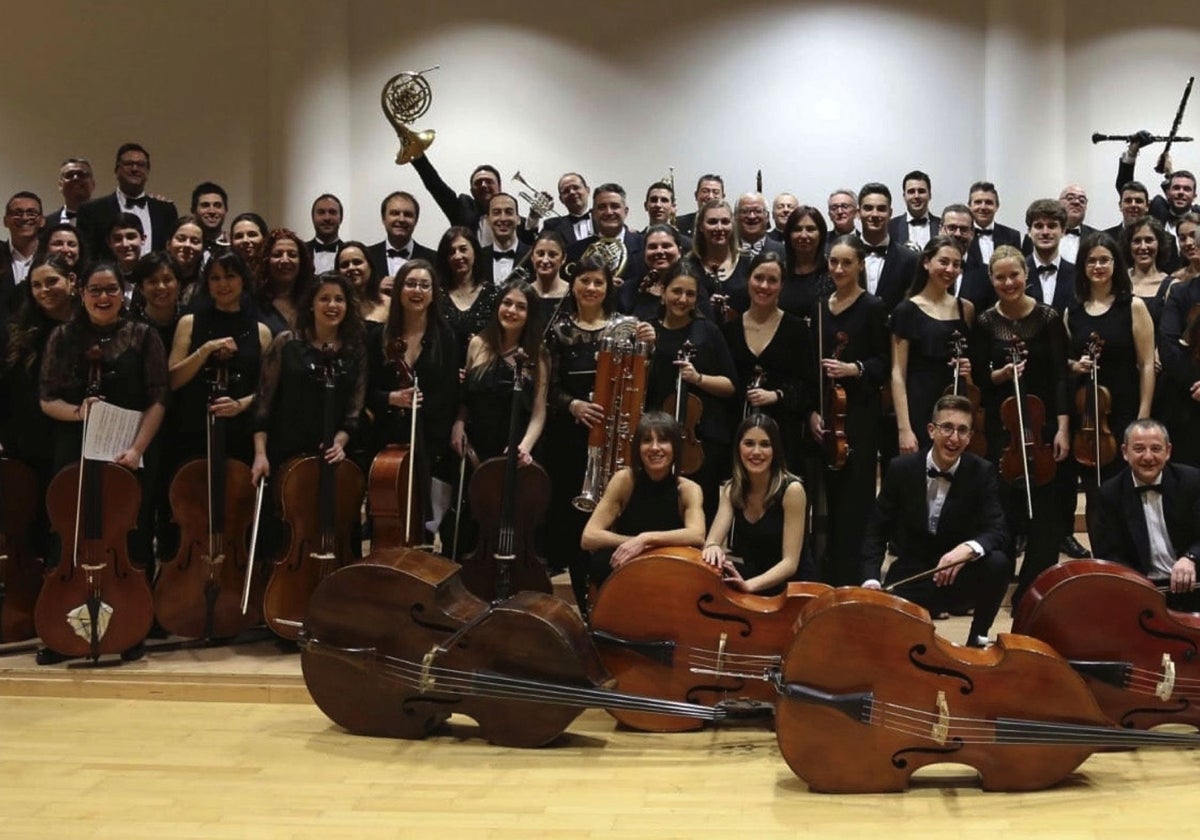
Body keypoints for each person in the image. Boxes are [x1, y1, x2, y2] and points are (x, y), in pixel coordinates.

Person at [861, 395, 1010, 647]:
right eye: (947, 428)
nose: (954, 438)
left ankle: (976, 640)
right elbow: (876, 531)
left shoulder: (982, 471)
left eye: (962, 430)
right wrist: (871, 580)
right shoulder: (901, 469)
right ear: (932, 430)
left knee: (998, 563)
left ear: (970, 436)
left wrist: (968, 549)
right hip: (914, 572)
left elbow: (997, 528)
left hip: (958, 574)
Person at [973, 245, 1071, 609]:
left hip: (1043, 428)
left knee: (1046, 517)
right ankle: (998, 584)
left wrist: (1062, 428)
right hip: (1004, 433)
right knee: (1005, 511)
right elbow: (980, 380)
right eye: (1000, 277)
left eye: (1014, 275)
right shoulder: (985, 322)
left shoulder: (1047, 318)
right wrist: (999, 375)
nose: (1008, 282)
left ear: (1026, 276)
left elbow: (1062, 376)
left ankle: (1031, 590)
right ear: (991, 280)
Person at [544, 254, 643, 610]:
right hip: (571, 440)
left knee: (616, 515)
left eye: (597, 282)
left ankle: (614, 599)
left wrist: (650, 342)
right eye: (584, 281)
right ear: (573, 285)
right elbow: (548, 388)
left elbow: (641, 381)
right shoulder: (558, 331)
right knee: (574, 524)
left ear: (608, 287)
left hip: (615, 439)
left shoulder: (626, 326)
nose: (590, 288)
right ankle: (584, 603)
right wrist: (574, 405)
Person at [250, 273, 367, 562]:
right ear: (311, 305)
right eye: (324, 298)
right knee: (284, 530)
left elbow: (353, 412)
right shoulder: (287, 344)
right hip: (285, 451)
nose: (332, 305)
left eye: (339, 299)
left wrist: (340, 442)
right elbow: (263, 406)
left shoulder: (355, 351)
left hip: (331, 457)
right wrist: (260, 454)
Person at [809, 235, 890, 586]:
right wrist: (812, 411)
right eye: (833, 262)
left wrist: (854, 369)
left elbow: (884, 362)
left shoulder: (872, 306)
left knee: (855, 498)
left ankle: (852, 574)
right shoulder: (818, 307)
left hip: (858, 414)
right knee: (823, 496)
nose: (839, 269)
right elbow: (810, 366)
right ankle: (823, 571)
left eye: (846, 263)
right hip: (823, 413)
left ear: (859, 265)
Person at [1067, 233, 1155, 541]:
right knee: (1094, 493)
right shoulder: (1073, 312)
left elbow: (1146, 364)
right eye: (1091, 260)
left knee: (1127, 492)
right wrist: (1075, 366)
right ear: (1083, 267)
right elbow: (1066, 362)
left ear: (1116, 264)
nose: (1098, 266)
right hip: (1089, 419)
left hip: (1125, 412)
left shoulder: (1133, 306)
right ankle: (1100, 560)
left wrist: (1142, 417)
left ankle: (1131, 565)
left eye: (1104, 259)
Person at [363, 259, 458, 547]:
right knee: (385, 514)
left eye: (424, 285)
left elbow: (450, 394)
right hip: (385, 440)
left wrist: (434, 440)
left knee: (425, 522)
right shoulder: (378, 337)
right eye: (410, 283)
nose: (417, 290)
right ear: (400, 290)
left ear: (433, 293)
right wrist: (391, 398)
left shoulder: (445, 338)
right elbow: (363, 391)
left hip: (430, 444)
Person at [646, 270, 738, 522]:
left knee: (701, 510)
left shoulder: (707, 331)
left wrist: (698, 379)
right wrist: (647, 351)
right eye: (677, 291)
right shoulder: (648, 330)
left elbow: (730, 385)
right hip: (657, 436)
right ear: (663, 293)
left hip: (702, 438)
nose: (683, 299)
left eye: (690, 294)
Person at [169, 248, 272, 465]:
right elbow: (172, 380)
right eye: (215, 278)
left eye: (230, 276)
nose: (222, 284)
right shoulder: (189, 323)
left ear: (243, 280)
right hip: (193, 431)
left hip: (241, 434)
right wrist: (205, 350)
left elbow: (267, 391)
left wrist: (239, 405)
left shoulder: (261, 332)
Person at [580, 412, 706, 590]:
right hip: (626, 565)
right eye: (647, 440)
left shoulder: (688, 489)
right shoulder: (624, 480)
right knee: (600, 562)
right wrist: (633, 543)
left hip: (667, 566)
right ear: (638, 448)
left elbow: (697, 535)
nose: (654, 448)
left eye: (663, 440)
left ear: (675, 447)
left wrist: (645, 540)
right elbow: (589, 537)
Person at [1091, 419, 1200, 611]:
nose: (1148, 457)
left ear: (1168, 451)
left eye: (1156, 449)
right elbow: (1108, 553)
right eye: (1139, 449)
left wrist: (1190, 558)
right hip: (1139, 592)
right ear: (1125, 452)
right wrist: (1136, 582)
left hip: (1192, 585)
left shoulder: (1192, 482)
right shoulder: (1109, 494)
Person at [721, 250, 812, 471]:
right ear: (748, 279)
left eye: (772, 280)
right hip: (737, 431)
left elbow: (808, 385)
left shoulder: (797, 328)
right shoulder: (728, 330)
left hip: (783, 433)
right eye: (758, 278)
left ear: (782, 286)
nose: (764, 286)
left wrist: (777, 395)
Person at [702, 414, 810, 594]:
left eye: (765, 444)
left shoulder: (793, 490)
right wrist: (712, 548)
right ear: (738, 448)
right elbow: (712, 541)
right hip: (751, 580)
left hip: (791, 586)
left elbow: (790, 563)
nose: (756, 452)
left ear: (775, 450)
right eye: (749, 443)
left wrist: (749, 585)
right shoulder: (732, 489)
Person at [451, 278, 549, 465]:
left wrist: (524, 446)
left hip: (516, 449)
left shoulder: (538, 353)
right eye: (507, 303)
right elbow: (466, 398)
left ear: (530, 314)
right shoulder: (477, 344)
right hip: (475, 448)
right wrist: (459, 423)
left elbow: (539, 409)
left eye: (521, 307)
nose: (511, 311)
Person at [890, 235, 972, 455]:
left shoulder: (965, 308)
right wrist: (904, 428)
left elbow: (969, 360)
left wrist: (967, 368)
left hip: (955, 402)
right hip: (919, 405)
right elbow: (898, 373)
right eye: (943, 262)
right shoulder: (907, 310)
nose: (950, 269)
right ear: (926, 262)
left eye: (956, 264)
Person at [76, 142, 177, 256]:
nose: (134, 169)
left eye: (140, 164)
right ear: (117, 170)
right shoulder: (91, 210)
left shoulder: (166, 210)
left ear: (147, 171)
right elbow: (86, 256)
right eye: (128, 164)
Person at [435, 226, 496, 369]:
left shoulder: (494, 294)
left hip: (483, 377)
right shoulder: (435, 295)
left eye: (463, 249)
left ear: (475, 252)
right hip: (443, 377)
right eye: (451, 252)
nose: (457, 256)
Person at [568, 183, 646, 289]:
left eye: (615, 206)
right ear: (593, 213)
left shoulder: (645, 246)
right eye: (602, 207)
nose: (609, 212)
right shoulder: (576, 251)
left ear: (625, 211)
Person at [857, 182, 918, 312]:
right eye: (868, 208)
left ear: (890, 213)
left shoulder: (910, 259)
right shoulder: (844, 256)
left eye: (881, 209)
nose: (874, 214)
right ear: (858, 212)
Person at [683, 199, 749, 317]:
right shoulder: (687, 265)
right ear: (701, 227)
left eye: (725, 222)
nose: (719, 228)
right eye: (712, 222)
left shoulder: (749, 262)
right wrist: (705, 307)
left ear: (733, 225)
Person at [366, 191, 437, 286]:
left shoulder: (435, 260)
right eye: (395, 213)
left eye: (408, 214)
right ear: (383, 218)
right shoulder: (366, 257)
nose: (401, 219)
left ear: (416, 221)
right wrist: (375, 290)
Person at [255, 228, 314, 335]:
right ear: (266, 260)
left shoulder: (312, 300)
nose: (285, 260)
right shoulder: (253, 303)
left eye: (292, 255)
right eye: (277, 255)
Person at [1023, 199, 1076, 313]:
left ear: (1063, 231)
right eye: (1038, 226)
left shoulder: (1077, 273)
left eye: (1052, 226)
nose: (1045, 232)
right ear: (1029, 232)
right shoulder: (1016, 273)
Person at [779, 205, 829, 319]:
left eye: (811, 229)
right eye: (797, 229)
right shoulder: (779, 272)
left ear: (821, 234)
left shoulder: (833, 271)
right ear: (788, 235)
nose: (803, 235)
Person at [964, 180, 1022, 269]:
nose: (983, 207)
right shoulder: (962, 235)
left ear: (997, 206)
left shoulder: (1012, 236)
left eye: (988, 202)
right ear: (969, 206)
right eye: (978, 202)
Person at [480, 193, 530, 285]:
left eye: (509, 212)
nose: (503, 218)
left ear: (518, 219)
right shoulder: (477, 258)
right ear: (488, 220)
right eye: (496, 213)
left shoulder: (532, 256)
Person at [335, 240, 389, 323]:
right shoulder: (334, 306)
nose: (351, 268)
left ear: (370, 266)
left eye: (357, 262)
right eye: (345, 265)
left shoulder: (389, 304)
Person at [888, 169, 940, 249]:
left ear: (930, 195)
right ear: (904, 196)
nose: (916, 196)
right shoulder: (891, 226)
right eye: (911, 191)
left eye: (921, 191)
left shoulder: (942, 225)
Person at [528, 229, 569, 325]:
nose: (545, 260)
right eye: (540, 254)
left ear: (563, 259)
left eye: (552, 255)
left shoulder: (573, 294)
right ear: (532, 257)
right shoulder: (523, 293)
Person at [541, 172, 593, 244]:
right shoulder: (552, 226)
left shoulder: (605, 219)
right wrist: (534, 218)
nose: (572, 192)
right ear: (561, 199)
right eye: (566, 191)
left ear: (587, 190)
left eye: (576, 187)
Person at [43, 157, 94, 229]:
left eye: (81, 175)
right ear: (60, 185)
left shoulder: (108, 218)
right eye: (69, 175)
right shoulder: (47, 224)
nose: (75, 178)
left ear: (93, 184)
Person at [164, 216, 206, 303]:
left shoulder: (209, 286)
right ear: (168, 244)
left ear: (203, 249)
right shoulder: (152, 280)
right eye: (181, 239)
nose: (187, 245)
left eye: (194, 241)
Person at [734, 192, 785, 260]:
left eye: (757, 211)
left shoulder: (782, 250)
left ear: (767, 216)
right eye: (745, 211)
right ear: (735, 216)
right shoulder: (727, 249)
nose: (752, 217)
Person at [306, 194, 344, 274]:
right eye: (321, 212)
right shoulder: (301, 251)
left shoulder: (349, 253)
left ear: (341, 218)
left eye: (332, 212)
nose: (327, 218)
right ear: (313, 218)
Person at [189, 182, 228, 248]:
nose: (212, 211)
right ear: (193, 210)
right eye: (205, 205)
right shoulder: (185, 247)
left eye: (217, 205)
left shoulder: (235, 247)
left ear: (226, 210)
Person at [229, 212, 268, 277]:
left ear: (264, 237)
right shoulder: (225, 273)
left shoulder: (274, 272)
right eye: (239, 236)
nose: (245, 240)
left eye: (252, 235)